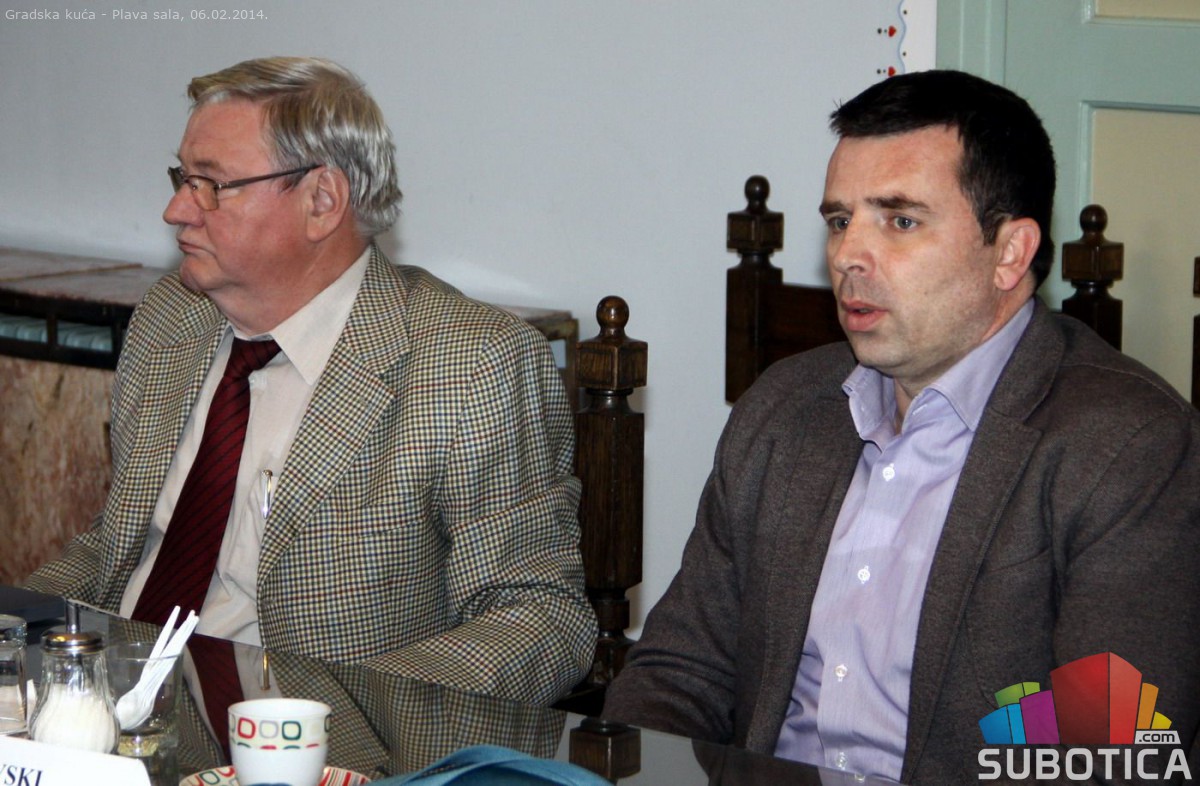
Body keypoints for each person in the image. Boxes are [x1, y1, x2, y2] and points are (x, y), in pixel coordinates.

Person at [603, 70, 1200, 783]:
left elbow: (1104, 754)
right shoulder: (786, 408)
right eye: (839, 220)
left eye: (901, 221)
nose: (848, 255)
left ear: (1010, 252)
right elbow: (682, 671)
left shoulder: (1130, 447)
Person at [25, 56, 595, 709]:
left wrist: (334, 717)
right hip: (110, 709)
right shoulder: (171, 320)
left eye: (211, 185)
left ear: (321, 201)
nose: (175, 210)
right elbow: (120, 546)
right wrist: (16, 628)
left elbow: (540, 617)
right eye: (182, 178)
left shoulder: (468, 364)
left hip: (314, 736)